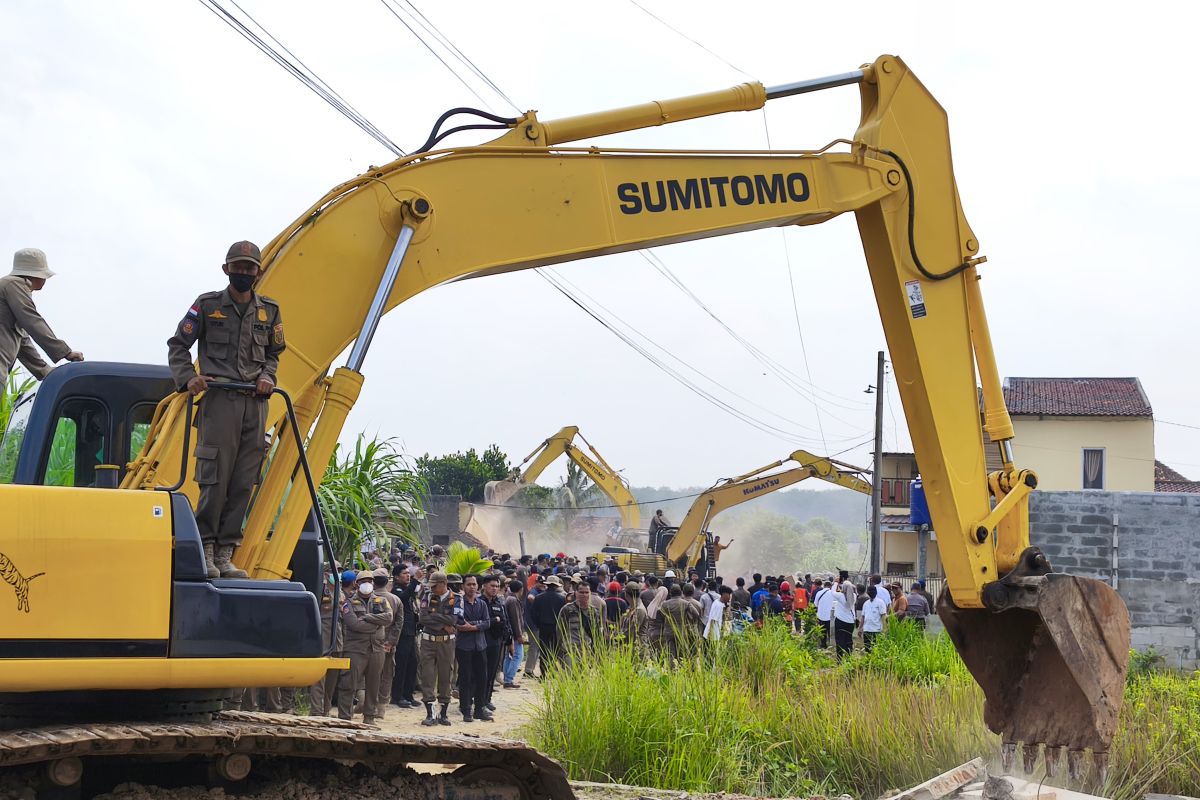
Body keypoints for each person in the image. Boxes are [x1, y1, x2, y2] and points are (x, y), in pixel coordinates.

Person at [167, 240, 284, 579]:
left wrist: (267, 375)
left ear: (258, 272)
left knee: (244, 480)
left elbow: (274, 354)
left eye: (250, 268)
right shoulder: (207, 305)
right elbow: (178, 345)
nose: (244, 272)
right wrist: (188, 377)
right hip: (219, 401)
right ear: (226, 269)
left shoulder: (270, 311)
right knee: (214, 477)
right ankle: (204, 545)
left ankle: (224, 554)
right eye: (238, 266)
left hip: (255, 403)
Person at [0, 248, 83, 380]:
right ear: (35, 275)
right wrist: (65, 352)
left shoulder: (10, 287)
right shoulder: (13, 284)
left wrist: (44, 371)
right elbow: (32, 321)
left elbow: (23, 341)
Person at [338, 571, 393, 723]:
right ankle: (344, 717)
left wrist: (368, 618)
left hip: (376, 649)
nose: (367, 583)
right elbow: (354, 624)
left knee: (374, 685)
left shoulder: (381, 601)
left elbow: (389, 618)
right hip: (355, 649)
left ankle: (369, 717)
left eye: (370, 580)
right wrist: (376, 625)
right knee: (348, 683)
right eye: (363, 581)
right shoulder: (348, 602)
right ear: (357, 584)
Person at [416, 572, 457, 727]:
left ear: (443, 583)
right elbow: (423, 618)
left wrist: (436, 617)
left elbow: (454, 619)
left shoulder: (456, 598)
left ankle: (443, 713)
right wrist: (443, 625)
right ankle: (430, 713)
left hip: (447, 643)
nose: (432, 588)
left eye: (435, 585)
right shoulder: (427, 596)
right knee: (427, 676)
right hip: (428, 642)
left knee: (446, 676)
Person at [453, 574, 492, 723]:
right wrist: (476, 625)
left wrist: (473, 626)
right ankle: (466, 709)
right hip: (464, 646)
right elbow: (459, 623)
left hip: (480, 645)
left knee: (482, 678)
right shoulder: (458, 603)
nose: (472, 587)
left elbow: (487, 622)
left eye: (474, 584)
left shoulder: (481, 604)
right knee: (465, 678)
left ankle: (479, 709)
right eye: (469, 584)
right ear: (463, 586)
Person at [372, 568, 402, 717]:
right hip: (388, 644)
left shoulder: (368, 597)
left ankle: (368, 704)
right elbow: (399, 623)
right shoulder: (395, 599)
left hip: (371, 643)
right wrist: (391, 642)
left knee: (370, 674)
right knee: (387, 674)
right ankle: (381, 706)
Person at [390, 565, 421, 708]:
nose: (407, 576)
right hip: (402, 633)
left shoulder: (409, 589)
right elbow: (403, 597)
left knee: (412, 664)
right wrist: (415, 581)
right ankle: (397, 696)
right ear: (396, 576)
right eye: (404, 573)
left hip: (411, 631)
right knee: (401, 665)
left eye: (409, 573)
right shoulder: (396, 590)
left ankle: (409, 694)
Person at [480, 574, 509, 712]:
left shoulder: (499, 603)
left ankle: (487, 699)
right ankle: (479, 700)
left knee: (492, 673)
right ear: (484, 586)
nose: (494, 589)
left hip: (497, 642)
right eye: (492, 586)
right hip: (482, 641)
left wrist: (508, 639)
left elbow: (504, 621)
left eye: (497, 586)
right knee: (481, 673)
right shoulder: (480, 602)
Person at [557, 580, 601, 662]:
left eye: (586, 592)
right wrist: (559, 651)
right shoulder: (567, 609)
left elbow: (597, 633)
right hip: (570, 651)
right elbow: (559, 631)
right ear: (576, 593)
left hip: (587, 651)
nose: (584, 595)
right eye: (581, 592)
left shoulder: (594, 612)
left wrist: (597, 653)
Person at [531, 575, 567, 669]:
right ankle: (553, 670)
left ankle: (544, 672)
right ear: (556, 586)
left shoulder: (538, 597)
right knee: (556, 649)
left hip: (543, 627)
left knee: (543, 650)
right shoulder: (562, 598)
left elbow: (533, 614)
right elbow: (564, 615)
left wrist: (538, 624)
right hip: (556, 627)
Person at [501, 579, 526, 688]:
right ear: (521, 590)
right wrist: (519, 635)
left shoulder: (509, 598)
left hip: (509, 633)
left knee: (509, 656)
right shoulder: (513, 601)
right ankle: (509, 679)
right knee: (518, 656)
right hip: (514, 634)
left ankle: (507, 679)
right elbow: (515, 620)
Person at [832, 573, 857, 660]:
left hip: (840, 621)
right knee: (848, 640)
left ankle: (839, 658)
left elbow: (832, 592)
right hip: (850, 622)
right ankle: (849, 658)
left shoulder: (840, 596)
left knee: (840, 640)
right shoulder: (854, 596)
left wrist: (836, 582)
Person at [860, 585, 889, 652]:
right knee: (867, 650)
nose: (871, 592)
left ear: (876, 592)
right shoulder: (866, 604)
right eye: (869, 591)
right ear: (867, 592)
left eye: (873, 591)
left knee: (876, 650)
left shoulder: (880, 602)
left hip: (876, 631)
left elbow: (883, 616)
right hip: (867, 630)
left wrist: (885, 629)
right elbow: (863, 617)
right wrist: (860, 628)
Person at [813, 580, 834, 648]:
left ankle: (823, 645)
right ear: (830, 586)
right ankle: (831, 645)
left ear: (824, 586)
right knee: (830, 631)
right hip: (830, 616)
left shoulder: (819, 593)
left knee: (822, 631)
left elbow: (815, 604)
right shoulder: (833, 593)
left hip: (820, 616)